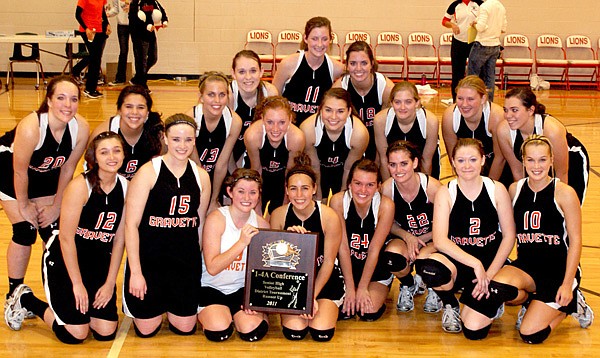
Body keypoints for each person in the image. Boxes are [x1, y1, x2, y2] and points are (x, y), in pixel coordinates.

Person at [460, 135, 594, 342]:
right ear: (523, 161)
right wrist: (488, 272)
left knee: (531, 334)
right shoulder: (515, 190)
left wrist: (567, 284)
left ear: (551, 160)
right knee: (472, 329)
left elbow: (576, 241)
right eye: (530, 160)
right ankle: (529, 301)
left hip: (557, 271)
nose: (536, 165)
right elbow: (506, 234)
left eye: (542, 159)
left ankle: (571, 306)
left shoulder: (564, 193)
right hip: (525, 268)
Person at [4, 132, 127, 345]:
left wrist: (109, 284)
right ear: (94, 157)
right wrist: (77, 284)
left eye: (117, 150)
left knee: (105, 331)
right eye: (104, 152)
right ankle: (26, 299)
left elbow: (119, 241)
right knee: (75, 334)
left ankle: (74, 307)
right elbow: (67, 239)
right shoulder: (80, 187)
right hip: (64, 259)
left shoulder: (126, 187)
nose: (111, 157)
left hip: (97, 263)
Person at [0, 76, 89, 306]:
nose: (67, 105)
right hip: (8, 170)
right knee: (25, 229)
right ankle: (14, 296)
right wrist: (24, 206)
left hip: (44, 173)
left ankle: (58, 289)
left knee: (53, 231)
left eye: (73, 99)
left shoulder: (80, 129)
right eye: (61, 98)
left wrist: (56, 206)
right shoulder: (31, 127)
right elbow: (19, 172)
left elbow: (68, 169)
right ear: (49, 100)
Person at [122, 113, 211, 338]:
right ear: (165, 138)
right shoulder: (148, 172)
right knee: (146, 329)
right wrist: (136, 272)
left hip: (183, 263)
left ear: (194, 140)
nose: (182, 145)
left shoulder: (201, 177)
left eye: (188, 140)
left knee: (185, 328)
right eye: (176, 139)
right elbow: (131, 225)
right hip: (150, 263)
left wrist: (196, 266)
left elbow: (198, 225)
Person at [415, 138, 515, 333]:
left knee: (474, 331)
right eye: (461, 161)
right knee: (430, 267)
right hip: (459, 261)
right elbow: (440, 240)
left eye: (472, 159)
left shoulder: (496, 189)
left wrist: (489, 273)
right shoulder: (446, 192)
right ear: (452, 162)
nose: (467, 166)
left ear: (483, 160)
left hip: (490, 262)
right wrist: (475, 264)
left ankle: (492, 301)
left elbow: (509, 236)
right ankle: (450, 304)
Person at [270, 153, 344, 341]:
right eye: (293, 189)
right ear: (286, 190)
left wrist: (310, 296)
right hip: (292, 281)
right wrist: (287, 241)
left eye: (305, 188)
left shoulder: (328, 216)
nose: (299, 195)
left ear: (314, 189)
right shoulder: (278, 215)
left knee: (321, 333)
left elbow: (328, 262)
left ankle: (330, 306)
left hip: (324, 280)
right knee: (295, 332)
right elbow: (273, 264)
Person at [198, 168, 270, 342]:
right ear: (230, 192)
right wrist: (241, 243)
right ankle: (208, 314)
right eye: (241, 191)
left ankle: (254, 316)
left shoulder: (262, 225)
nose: (247, 198)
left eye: (253, 192)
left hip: (241, 290)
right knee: (219, 331)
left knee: (252, 331)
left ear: (259, 194)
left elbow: (265, 271)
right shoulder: (217, 219)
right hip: (212, 287)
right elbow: (213, 267)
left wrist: (256, 299)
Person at [493, 87, 589, 204]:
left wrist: (558, 204)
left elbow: (561, 173)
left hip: (571, 162)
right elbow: (518, 172)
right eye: (505, 110)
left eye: (514, 110)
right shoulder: (503, 131)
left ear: (530, 110)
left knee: (567, 209)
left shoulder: (552, 130)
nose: (508, 115)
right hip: (538, 161)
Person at [380, 140, 443, 313]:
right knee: (391, 259)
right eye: (393, 165)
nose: (398, 170)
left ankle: (435, 290)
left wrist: (421, 239)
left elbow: (449, 222)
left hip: (432, 238)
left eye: (403, 164)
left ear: (415, 163)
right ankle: (408, 284)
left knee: (427, 263)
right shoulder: (387, 189)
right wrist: (407, 237)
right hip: (404, 238)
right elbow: (388, 223)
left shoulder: (432, 187)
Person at [330, 159, 396, 321]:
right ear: (350, 183)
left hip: (374, 269)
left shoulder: (385, 206)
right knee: (344, 312)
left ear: (379, 186)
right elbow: (343, 247)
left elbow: (374, 249)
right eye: (358, 183)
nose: (363, 190)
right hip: (345, 267)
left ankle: (378, 290)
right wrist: (351, 288)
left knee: (368, 311)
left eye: (370, 185)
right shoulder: (338, 202)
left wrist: (363, 287)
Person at [272, 16, 345, 126]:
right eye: (314, 38)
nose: (320, 44)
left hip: (317, 127)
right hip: (289, 127)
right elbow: (273, 96)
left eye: (324, 39)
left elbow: (358, 75)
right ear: (306, 38)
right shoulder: (289, 63)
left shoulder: (336, 67)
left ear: (330, 40)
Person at [185, 72, 242, 210]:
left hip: (219, 173)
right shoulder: (190, 119)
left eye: (222, 95)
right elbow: (196, 164)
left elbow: (222, 164)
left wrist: (213, 199)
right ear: (201, 97)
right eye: (211, 94)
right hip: (194, 171)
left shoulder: (234, 121)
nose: (217, 100)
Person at [300, 88, 369, 201]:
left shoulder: (359, 134)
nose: (333, 117)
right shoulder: (308, 130)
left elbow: (348, 169)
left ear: (349, 111)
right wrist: (317, 197)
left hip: (344, 172)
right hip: (318, 172)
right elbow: (314, 167)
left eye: (340, 111)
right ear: (320, 109)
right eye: (328, 110)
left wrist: (342, 197)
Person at [332, 40, 394, 161]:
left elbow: (388, 129)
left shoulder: (385, 87)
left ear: (371, 63)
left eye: (364, 63)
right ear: (347, 65)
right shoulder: (340, 88)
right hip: (350, 143)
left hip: (378, 142)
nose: (358, 68)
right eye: (353, 63)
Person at [244, 96, 305, 214]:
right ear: (262, 119)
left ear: (290, 119)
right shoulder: (252, 136)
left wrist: (284, 208)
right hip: (261, 176)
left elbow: (290, 175)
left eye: (282, 122)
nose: (275, 129)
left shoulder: (297, 138)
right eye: (270, 122)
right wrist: (257, 206)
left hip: (282, 177)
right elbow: (256, 170)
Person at [90, 85, 164, 179]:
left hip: (143, 186)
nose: (134, 112)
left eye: (141, 107)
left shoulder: (157, 132)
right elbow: (93, 173)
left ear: (147, 113)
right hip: (109, 185)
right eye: (129, 106)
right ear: (119, 110)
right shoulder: (102, 134)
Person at [374, 81, 440, 180]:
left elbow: (426, 161)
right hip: (394, 168)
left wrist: (424, 189)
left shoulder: (430, 122)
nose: (402, 107)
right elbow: (384, 160)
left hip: (422, 167)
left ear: (417, 103)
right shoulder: (381, 120)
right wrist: (388, 190)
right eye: (397, 102)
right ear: (391, 103)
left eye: (408, 102)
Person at [441, 75, 504, 177]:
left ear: (483, 99)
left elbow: (500, 158)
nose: (464, 104)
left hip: (497, 172)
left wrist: (490, 187)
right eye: (460, 98)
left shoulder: (496, 116)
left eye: (470, 99)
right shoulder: (450, 117)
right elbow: (454, 159)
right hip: (467, 172)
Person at [229, 50, 279, 170]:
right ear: (233, 73)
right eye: (241, 72)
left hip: (259, 152)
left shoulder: (270, 92)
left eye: (253, 71)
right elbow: (225, 143)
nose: (248, 77)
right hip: (231, 152)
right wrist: (234, 172)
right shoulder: (229, 95)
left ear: (261, 72)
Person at [441, 0, 483, 105]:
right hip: (458, 42)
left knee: (477, 73)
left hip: (475, 42)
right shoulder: (455, 5)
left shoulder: (480, 4)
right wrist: (452, 25)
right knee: (457, 73)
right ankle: (456, 101)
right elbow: (444, 21)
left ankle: (476, 100)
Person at [466, 0, 507, 102]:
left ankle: (471, 99)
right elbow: (503, 28)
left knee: (472, 75)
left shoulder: (485, 6)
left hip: (482, 44)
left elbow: (480, 27)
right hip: (495, 45)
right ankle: (488, 103)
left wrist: (474, 24)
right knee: (490, 76)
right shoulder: (501, 7)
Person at [74, 0, 112, 98]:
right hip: (88, 31)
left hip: (99, 29)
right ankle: (89, 88)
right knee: (94, 58)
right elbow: (77, 14)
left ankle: (92, 87)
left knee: (97, 58)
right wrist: (86, 28)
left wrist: (107, 24)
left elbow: (102, 12)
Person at [128, 0, 168, 90]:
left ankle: (137, 78)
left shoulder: (153, 1)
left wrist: (164, 20)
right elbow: (133, 18)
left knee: (153, 58)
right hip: (138, 35)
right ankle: (142, 85)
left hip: (150, 34)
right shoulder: (136, 2)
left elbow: (161, 10)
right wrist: (145, 26)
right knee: (141, 60)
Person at [106, 0, 131, 86]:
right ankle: (120, 78)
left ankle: (139, 78)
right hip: (122, 25)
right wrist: (107, 13)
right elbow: (116, 9)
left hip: (135, 23)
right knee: (123, 51)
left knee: (138, 50)